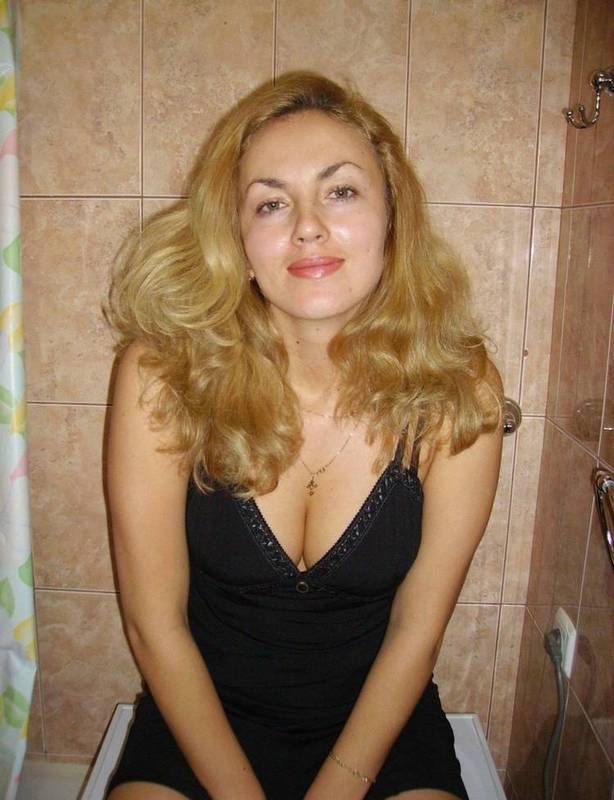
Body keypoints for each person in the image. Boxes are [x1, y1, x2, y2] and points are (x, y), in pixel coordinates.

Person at [103, 71, 503, 800]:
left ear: (393, 216)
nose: (308, 226)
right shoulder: (163, 375)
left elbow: (417, 630)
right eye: (271, 203)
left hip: (377, 732)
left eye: (340, 191)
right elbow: (153, 626)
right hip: (200, 725)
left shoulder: (458, 387)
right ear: (236, 238)